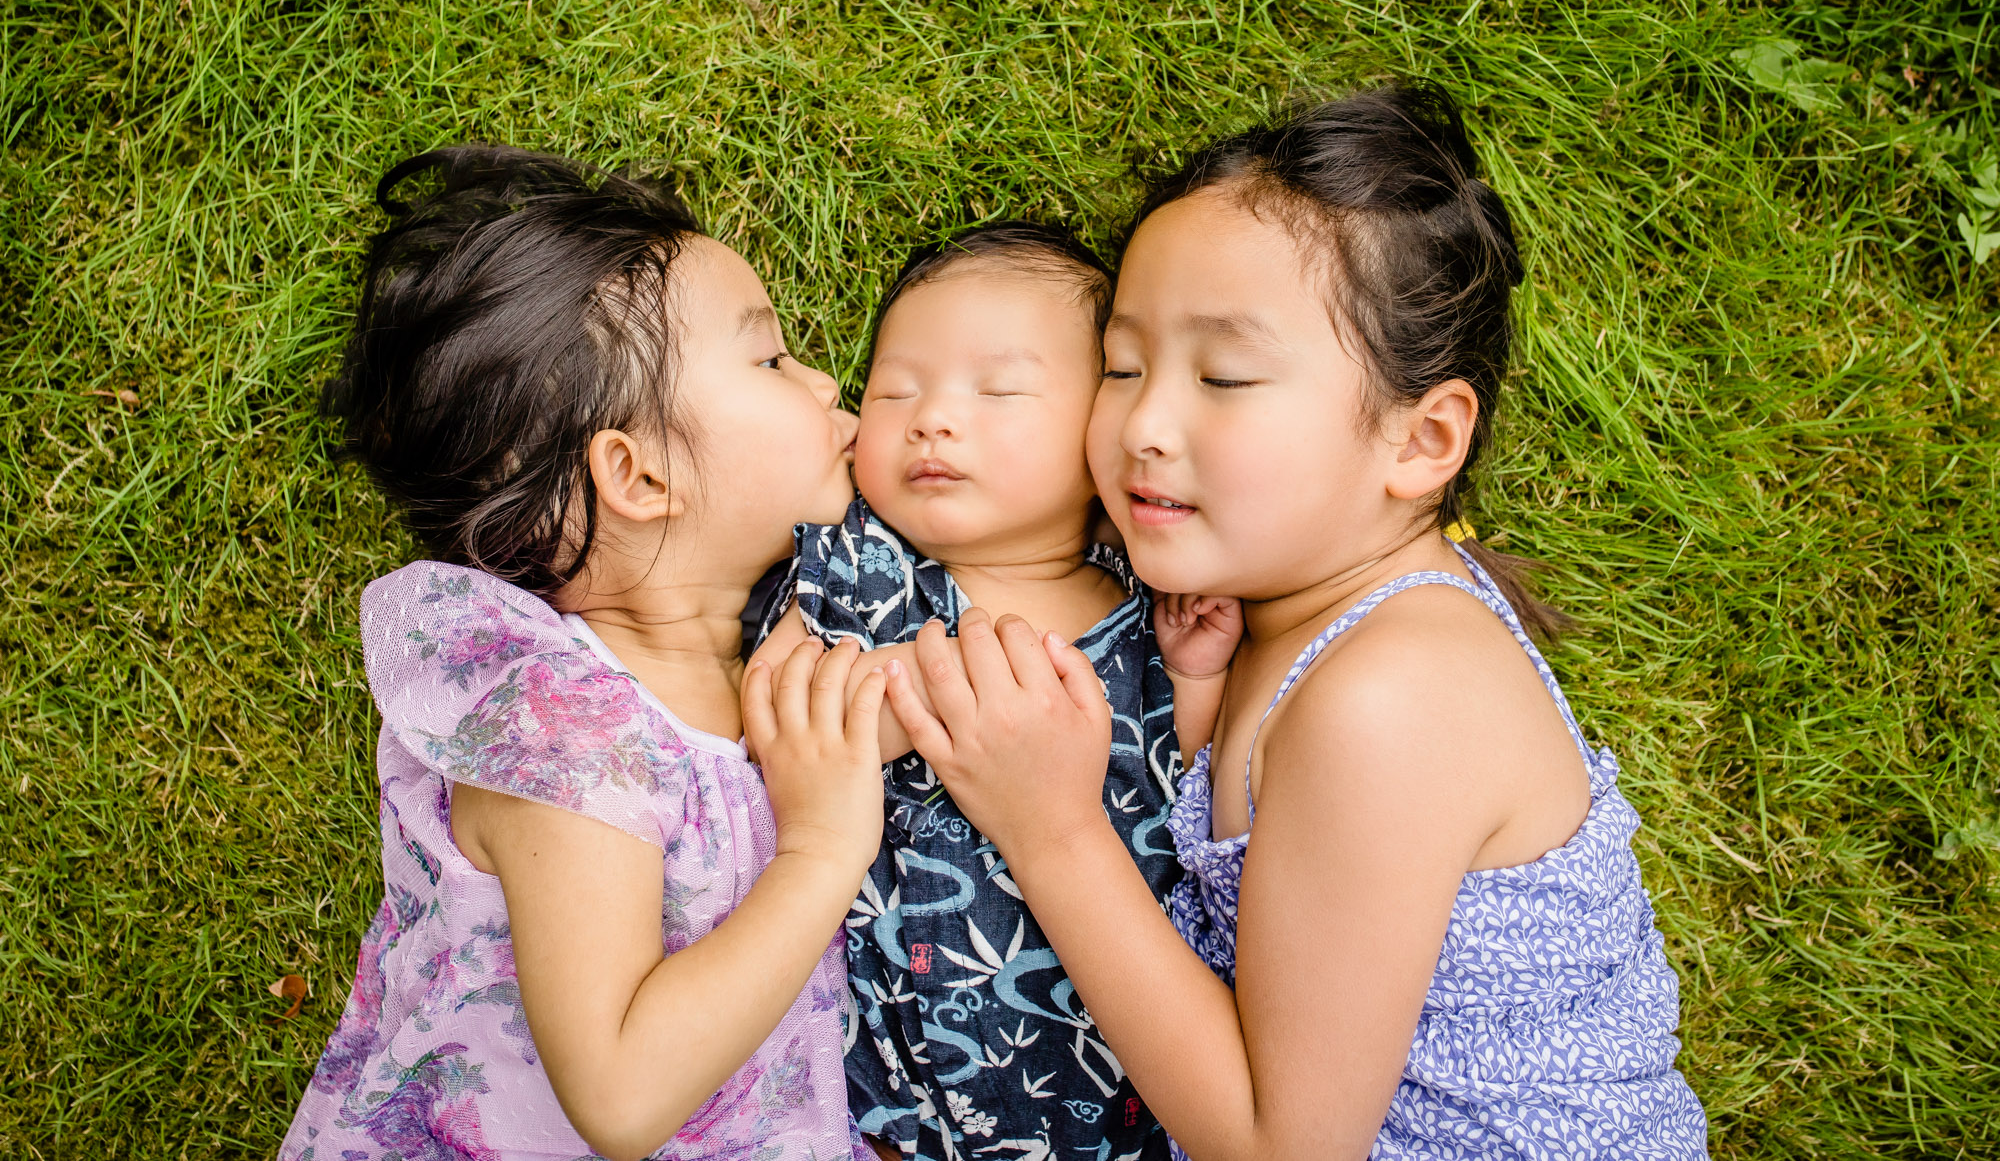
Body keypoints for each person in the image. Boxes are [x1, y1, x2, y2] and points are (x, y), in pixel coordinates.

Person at [881, 85, 1710, 1158]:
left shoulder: (1391, 696)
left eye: (1223, 374)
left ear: (1418, 442)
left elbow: (1282, 1145)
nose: (1143, 422)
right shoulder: (1256, 612)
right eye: (1121, 366)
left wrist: (1051, 828)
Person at [284, 145, 883, 1161]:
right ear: (639, 475)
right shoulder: (561, 737)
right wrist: (823, 849)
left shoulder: (735, 666)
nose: (824, 379)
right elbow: (618, 1091)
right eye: (771, 359)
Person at [749, 221, 1241, 1160]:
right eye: (896, 389)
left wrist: (1193, 678)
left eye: (999, 390)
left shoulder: (1144, 604)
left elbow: (1178, 797)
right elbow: (774, 708)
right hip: (882, 1098)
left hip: (1104, 1089)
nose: (933, 416)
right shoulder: (857, 562)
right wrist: (906, 696)